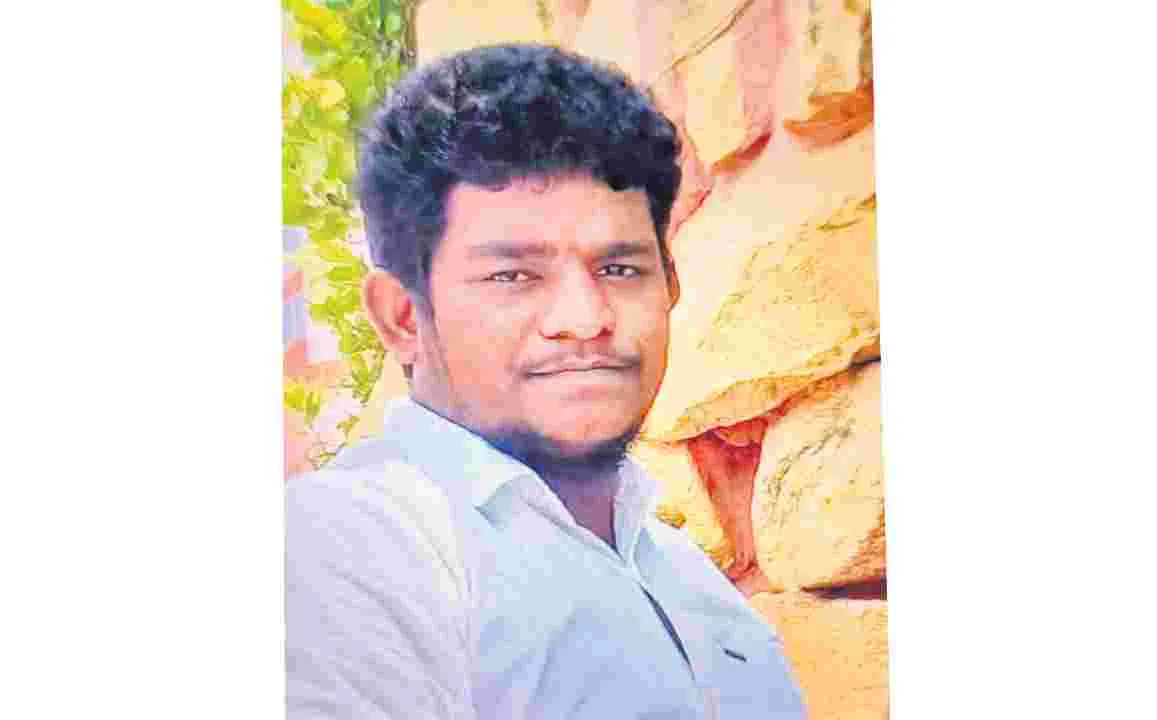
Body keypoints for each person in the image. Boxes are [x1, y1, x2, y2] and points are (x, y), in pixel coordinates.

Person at [285, 43, 808, 720]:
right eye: (513, 276)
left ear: (670, 285)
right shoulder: (348, 548)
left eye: (619, 269)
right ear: (404, 317)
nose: (585, 318)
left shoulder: (687, 578)